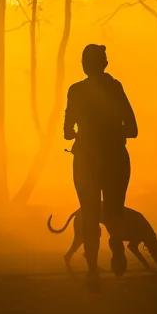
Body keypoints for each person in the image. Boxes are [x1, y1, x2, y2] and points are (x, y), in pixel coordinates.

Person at [64, 44, 138, 291]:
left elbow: (66, 132)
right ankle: (116, 244)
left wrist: (81, 134)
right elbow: (133, 128)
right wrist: (114, 133)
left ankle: (93, 269)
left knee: (90, 213)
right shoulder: (115, 88)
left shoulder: (75, 91)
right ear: (104, 64)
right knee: (114, 210)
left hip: (85, 159)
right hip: (115, 157)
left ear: (84, 65)